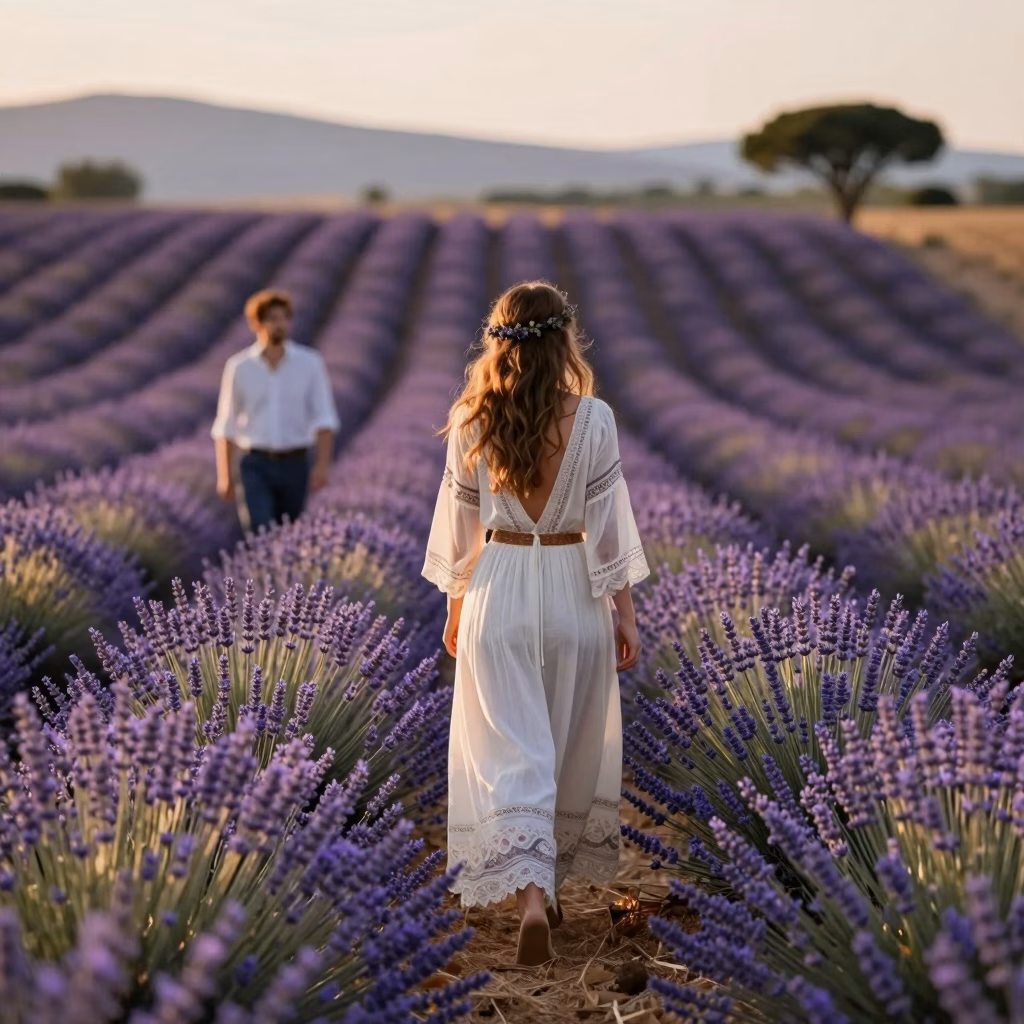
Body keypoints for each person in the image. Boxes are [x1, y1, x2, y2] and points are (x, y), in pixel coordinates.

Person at [422, 281, 649, 966]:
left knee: (508, 747)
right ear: (564, 338)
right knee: (568, 739)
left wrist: (456, 611)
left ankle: (528, 897)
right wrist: (624, 614)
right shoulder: (596, 419)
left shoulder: (470, 419)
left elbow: (460, 532)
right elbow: (610, 531)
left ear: (498, 338)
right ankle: (547, 888)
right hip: (573, 586)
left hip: (500, 585)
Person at [211, 289, 339, 532]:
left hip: (295, 463)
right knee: (260, 530)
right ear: (256, 324)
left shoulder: (309, 363)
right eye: (272, 319)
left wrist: (322, 466)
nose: (280, 325)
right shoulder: (239, 367)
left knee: (290, 533)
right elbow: (225, 425)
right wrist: (225, 475)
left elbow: (325, 419)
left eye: (284, 318)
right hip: (255, 463)